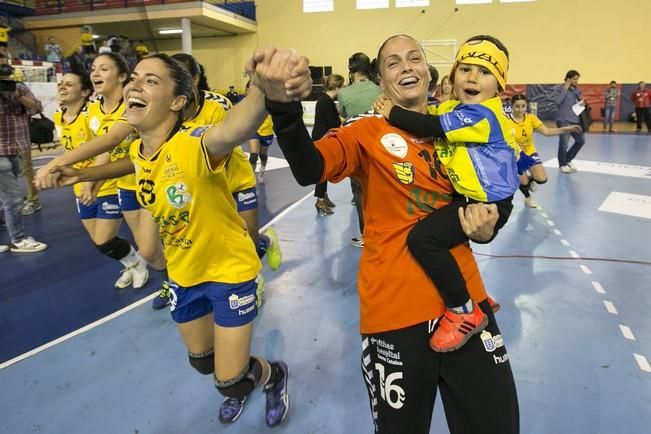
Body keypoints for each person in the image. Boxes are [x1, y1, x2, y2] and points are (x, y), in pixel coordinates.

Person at [257, 34, 518, 433]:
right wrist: (283, 110)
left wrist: (486, 228)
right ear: (381, 79)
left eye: (414, 58)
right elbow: (309, 169)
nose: (406, 66)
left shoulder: (459, 124)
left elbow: (486, 200)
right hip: (395, 313)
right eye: (393, 63)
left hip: (466, 305)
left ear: (429, 73)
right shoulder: (365, 131)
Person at [50, 52, 303, 427]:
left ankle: (271, 375)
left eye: (151, 81)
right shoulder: (142, 147)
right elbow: (135, 162)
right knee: (203, 363)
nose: (136, 84)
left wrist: (261, 91)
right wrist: (83, 174)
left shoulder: (193, 144)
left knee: (228, 382)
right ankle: (236, 376)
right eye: (135, 77)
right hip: (184, 274)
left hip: (229, 271)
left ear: (178, 101)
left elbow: (232, 130)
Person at [373, 35, 519, 352]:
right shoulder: (458, 107)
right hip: (470, 195)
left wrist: (391, 112)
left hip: (488, 202)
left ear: (500, 86)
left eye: (484, 72)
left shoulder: (484, 115)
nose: (472, 77)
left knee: (423, 238)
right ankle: (478, 293)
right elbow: (438, 112)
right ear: (453, 75)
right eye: (465, 69)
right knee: (441, 225)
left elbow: (432, 126)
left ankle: (464, 309)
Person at [35, 53, 150, 290]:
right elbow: (105, 147)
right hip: (116, 181)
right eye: (94, 69)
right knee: (102, 242)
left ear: (122, 76)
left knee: (150, 246)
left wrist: (57, 166)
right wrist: (88, 179)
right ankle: (134, 263)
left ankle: (155, 272)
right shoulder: (93, 110)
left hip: (143, 179)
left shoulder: (134, 103)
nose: (96, 73)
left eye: (104, 69)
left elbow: (111, 139)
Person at [0, 63, 48, 253]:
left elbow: (37, 108)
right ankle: (18, 239)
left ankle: (12, 230)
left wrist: (17, 96)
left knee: (5, 197)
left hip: (18, 147)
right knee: (12, 199)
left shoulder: (19, 88)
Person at [338, 52, 382, 247]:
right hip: (380, 149)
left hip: (356, 151)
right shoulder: (379, 89)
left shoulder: (344, 93)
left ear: (351, 70)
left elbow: (343, 115)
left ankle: (367, 236)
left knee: (359, 194)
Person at [509, 94, 581, 208]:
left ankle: (531, 179)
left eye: (523, 106)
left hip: (529, 152)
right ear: (512, 106)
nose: (520, 109)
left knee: (542, 179)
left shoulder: (531, 118)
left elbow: (547, 131)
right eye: (517, 106)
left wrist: (567, 129)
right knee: (523, 182)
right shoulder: (506, 121)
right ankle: (528, 198)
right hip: (514, 156)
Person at [312, 73, 344, 215]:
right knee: (323, 171)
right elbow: (333, 123)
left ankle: (323, 196)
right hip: (322, 140)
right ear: (336, 87)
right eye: (342, 87)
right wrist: (343, 121)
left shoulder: (324, 100)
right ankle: (320, 200)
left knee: (326, 170)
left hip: (321, 138)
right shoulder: (327, 102)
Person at [551, 69, 585, 173]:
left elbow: (577, 101)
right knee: (564, 144)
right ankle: (562, 164)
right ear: (568, 78)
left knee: (581, 141)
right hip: (563, 120)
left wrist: (582, 104)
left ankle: (568, 159)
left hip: (575, 119)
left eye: (577, 79)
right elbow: (557, 101)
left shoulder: (576, 90)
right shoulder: (558, 88)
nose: (576, 81)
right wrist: (565, 88)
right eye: (574, 79)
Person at [246, 81, 275, 182]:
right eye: (250, 87)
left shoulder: (268, 98)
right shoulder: (247, 101)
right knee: (253, 155)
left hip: (266, 131)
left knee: (263, 156)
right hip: (254, 130)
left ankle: (262, 170)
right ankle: (251, 180)